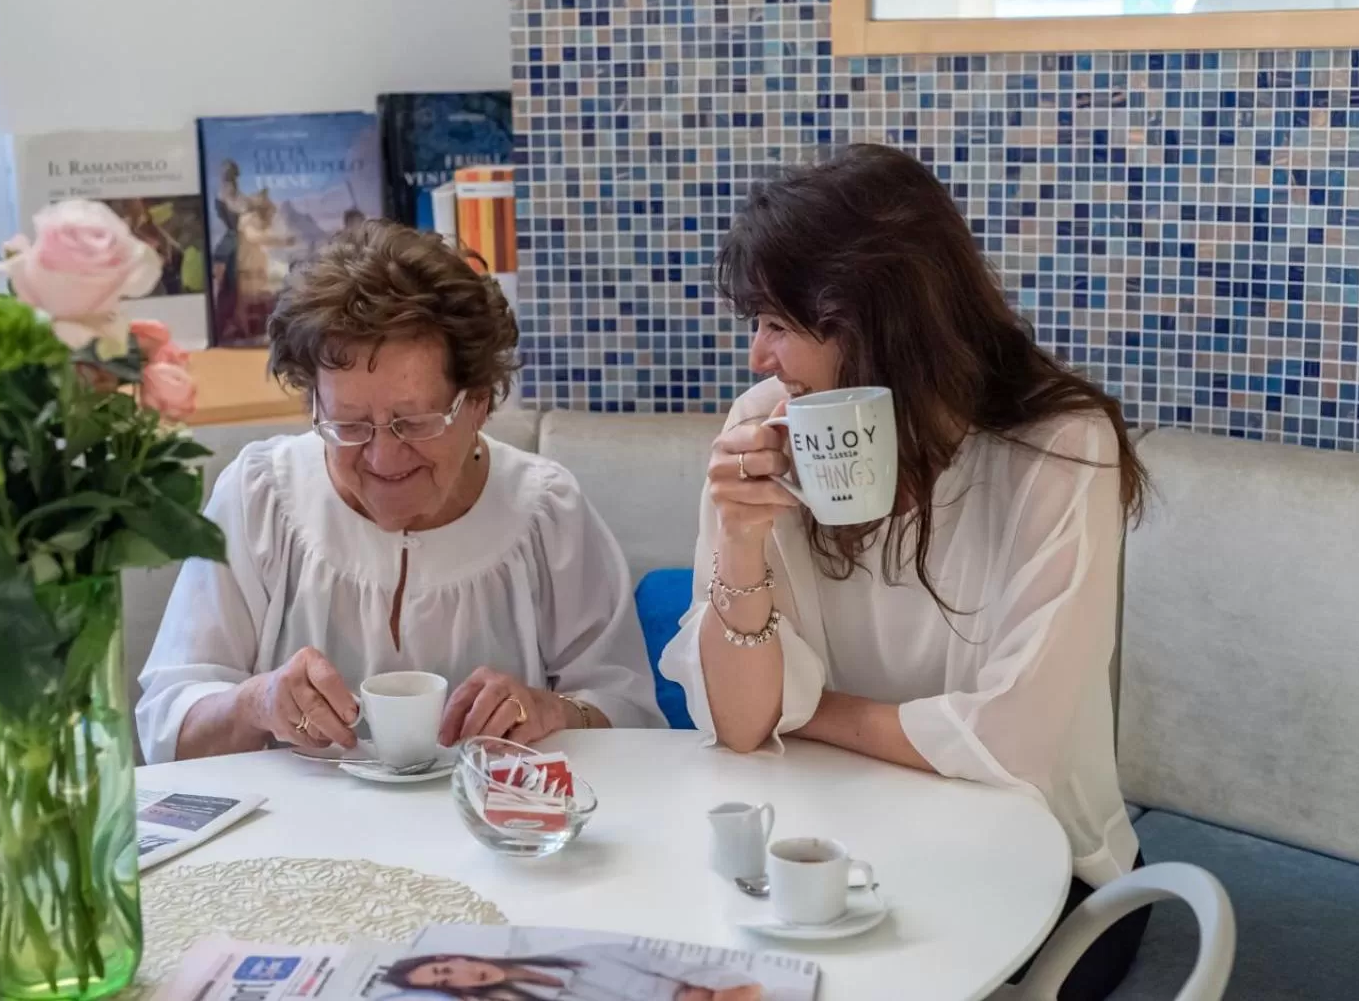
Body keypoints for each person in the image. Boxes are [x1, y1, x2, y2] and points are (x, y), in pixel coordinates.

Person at [659, 144, 1150, 1000]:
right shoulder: (766, 426)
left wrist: (805, 710)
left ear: (877, 318)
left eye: (778, 323)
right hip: (837, 843)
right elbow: (743, 725)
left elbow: (1017, 738)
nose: (756, 357)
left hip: (1049, 869)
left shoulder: (1061, 449)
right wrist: (739, 545)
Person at [137, 219, 662, 764]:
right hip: (292, 843)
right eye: (350, 424)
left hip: (493, 836)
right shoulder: (259, 497)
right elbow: (166, 729)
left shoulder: (544, 512)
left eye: (415, 423)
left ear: (479, 401)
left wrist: (555, 711)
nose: (383, 459)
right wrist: (255, 704)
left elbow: (631, 714)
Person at [383, 950, 764, 1001]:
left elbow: (676, 964)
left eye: (446, 969)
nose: (459, 978)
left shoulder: (579, 955)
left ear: (455, 956)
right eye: (445, 984)